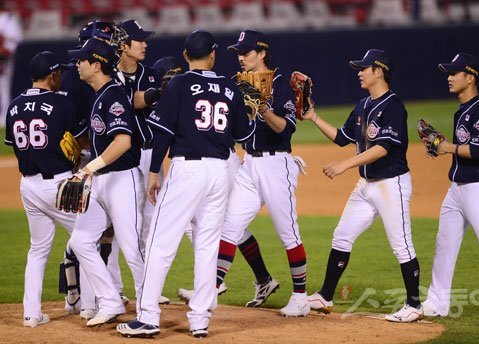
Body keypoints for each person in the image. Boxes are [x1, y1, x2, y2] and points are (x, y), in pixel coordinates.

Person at [116, 29, 255, 338]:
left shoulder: (179, 83)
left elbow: (163, 133)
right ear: (214, 55)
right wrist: (250, 108)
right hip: (220, 172)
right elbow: (243, 135)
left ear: (185, 56)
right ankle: (200, 320)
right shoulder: (230, 89)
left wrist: (154, 173)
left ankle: (148, 316)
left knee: (160, 241)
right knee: (207, 246)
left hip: (187, 170)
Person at [304, 49, 423, 322]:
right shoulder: (363, 105)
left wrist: (343, 165)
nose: (359, 72)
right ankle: (325, 296)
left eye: (364, 68)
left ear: (378, 71)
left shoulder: (393, 105)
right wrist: (314, 117)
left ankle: (414, 304)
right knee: (342, 235)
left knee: (402, 245)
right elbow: (342, 137)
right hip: (366, 185)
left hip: (390, 185)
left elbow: (382, 148)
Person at [198, 29, 309, 317]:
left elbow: (286, 129)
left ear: (261, 53)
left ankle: (300, 297)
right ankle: (210, 290)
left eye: (246, 52)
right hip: (249, 164)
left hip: (277, 165)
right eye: (238, 52)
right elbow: (237, 130)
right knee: (230, 227)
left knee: (288, 234)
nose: (241, 57)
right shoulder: (237, 84)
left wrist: (261, 107)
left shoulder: (283, 83)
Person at [4, 51, 89, 327]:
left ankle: (31, 313)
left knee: (37, 249)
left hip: (28, 185)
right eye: (59, 72)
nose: (62, 76)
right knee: (87, 240)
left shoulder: (14, 105)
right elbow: (81, 144)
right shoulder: (61, 103)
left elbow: (16, 146)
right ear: (52, 75)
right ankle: (89, 304)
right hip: (60, 184)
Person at [421, 53, 479, 317]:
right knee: (445, 242)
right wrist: (445, 148)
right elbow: (465, 148)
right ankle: (437, 302)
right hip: (457, 190)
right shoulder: (464, 109)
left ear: (469, 77)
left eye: (454, 73)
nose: (449, 77)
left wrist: (447, 147)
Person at [66, 37, 145, 327]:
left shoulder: (113, 94)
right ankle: (110, 300)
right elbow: (98, 138)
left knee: (131, 247)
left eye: (81, 60)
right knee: (81, 240)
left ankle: (148, 309)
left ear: (96, 64)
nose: (77, 64)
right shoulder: (100, 94)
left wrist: (88, 168)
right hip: (102, 181)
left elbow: (123, 142)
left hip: (122, 180)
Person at [106, 19, 171, 305]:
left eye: (145, 39)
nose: (145, 43)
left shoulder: (152, 73)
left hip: (150, 156)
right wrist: (155, 95)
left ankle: (147, 289)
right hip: (120, 158)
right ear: (122, 45)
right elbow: (130, 101)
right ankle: (115, 289)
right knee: (116, 228)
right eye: (138, 39)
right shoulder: (107, 76)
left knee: (149, 224)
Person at [0, 1, 22, 128]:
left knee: (4, 86)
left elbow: (16, 38)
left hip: (5, 56)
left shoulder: (8, 19)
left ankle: (4, 115)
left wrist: (4, 42)